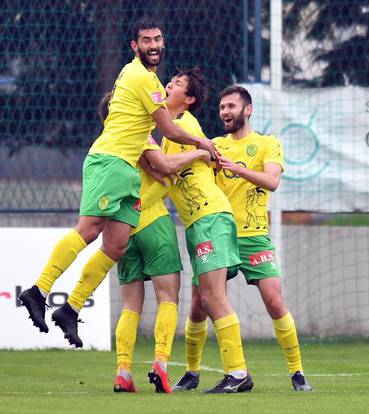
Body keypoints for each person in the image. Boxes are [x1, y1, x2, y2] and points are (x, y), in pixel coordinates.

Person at [18, 17, 219, 349]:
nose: (153, 45)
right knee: (89, 229)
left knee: (116, 246)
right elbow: (168, 134)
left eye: (157, 39)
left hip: (125, 172)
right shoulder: (143, 79)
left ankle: (70, 308)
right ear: (134, 46)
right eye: (146, 40)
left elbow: (162, 165)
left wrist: (180, 160)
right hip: (109, 161)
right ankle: (38, 291)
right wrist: (201, 146)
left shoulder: (147, 81)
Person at [172, 85, 312, 393]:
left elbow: (273, 181)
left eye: (231, 106)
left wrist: (238, 169)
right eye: (222, 107)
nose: (225, 112)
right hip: (220, 233)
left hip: (254, 236)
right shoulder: (213, 145)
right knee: (199, 303)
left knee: (275, 301)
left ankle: (297, 371)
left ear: (247, 110)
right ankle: (192, 372)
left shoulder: (266, 143)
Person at [90, 91, 210, 394]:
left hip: (123, 228)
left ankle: (123, 371)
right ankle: (160, 363)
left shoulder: (103, 148)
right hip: (153, 221)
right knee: (168, 297)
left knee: (130, 304)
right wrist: (198, 152)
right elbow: (166, 167)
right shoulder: (137, 136)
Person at [141, 73, 253, 394]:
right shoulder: (170, 132)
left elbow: (165, 166)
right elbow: (165, 169)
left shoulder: (185, 125)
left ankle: (238, 373)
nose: (169, 85)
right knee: (197, 305)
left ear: (188, 99)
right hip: (196, 223)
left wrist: (199, 153)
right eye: (171, 81)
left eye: (176, 84)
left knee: (213, 296)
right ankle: (192, 373)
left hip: (210, 217)